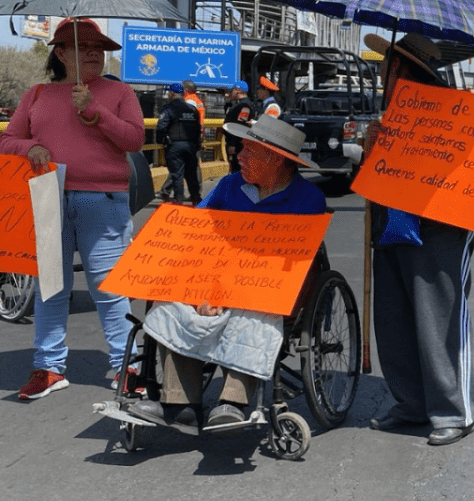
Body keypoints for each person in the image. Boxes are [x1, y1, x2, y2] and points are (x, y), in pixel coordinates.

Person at [127, 117, 326, 431]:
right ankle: (180, 404)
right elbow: (196, 231)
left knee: (254, 316)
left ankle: (233, 401)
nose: (239, 156)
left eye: (249, 151)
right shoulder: (229, 185)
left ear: (276, 159)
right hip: (215, 278)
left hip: (266, 286)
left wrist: (231, 294)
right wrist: (199, 289)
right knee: (170, 306)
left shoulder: (308, 199)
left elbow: (287, 266)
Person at [0, 18, 144, 400]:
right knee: (50, 288)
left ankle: (129, 366)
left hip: (103, 199)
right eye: (83, 47)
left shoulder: (119, 92)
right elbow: (7, 140)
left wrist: (95, 111)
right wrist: (29, 147)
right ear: (61, 54)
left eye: (99, 48)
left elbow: (134, 140)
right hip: (47, 197)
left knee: (109, 288)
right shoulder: (37, 94)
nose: (94, 53)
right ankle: (49, 367)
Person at [362, 31, 474, 446]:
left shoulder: (449, 110)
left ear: (399, 66)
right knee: (394, 318)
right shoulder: (390, 110)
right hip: (391, 224)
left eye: (385, 62)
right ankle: (411, 402)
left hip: (437, 228)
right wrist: (373, 147)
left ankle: (454, 410)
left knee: (438, 319)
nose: (380, 70)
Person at [156, 83, 202, 205]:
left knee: (177, 174)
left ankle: (179, 200)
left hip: (174, 145)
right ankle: (196, 199)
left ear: (171, 93)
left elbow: (161, 127)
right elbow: (198, 128)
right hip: (191, 146)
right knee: (191, 174)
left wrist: (160, 141)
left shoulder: (168, 108)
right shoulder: (192, 109)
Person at [223, 80, 255, 173]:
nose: (230, 93)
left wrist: (233, 144)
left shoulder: (244, 105)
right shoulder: (238, 104)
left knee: (238, 169)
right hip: (236, 143)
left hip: (239, 144)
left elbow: (240, 125)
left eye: (232, 91)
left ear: (237, 91)